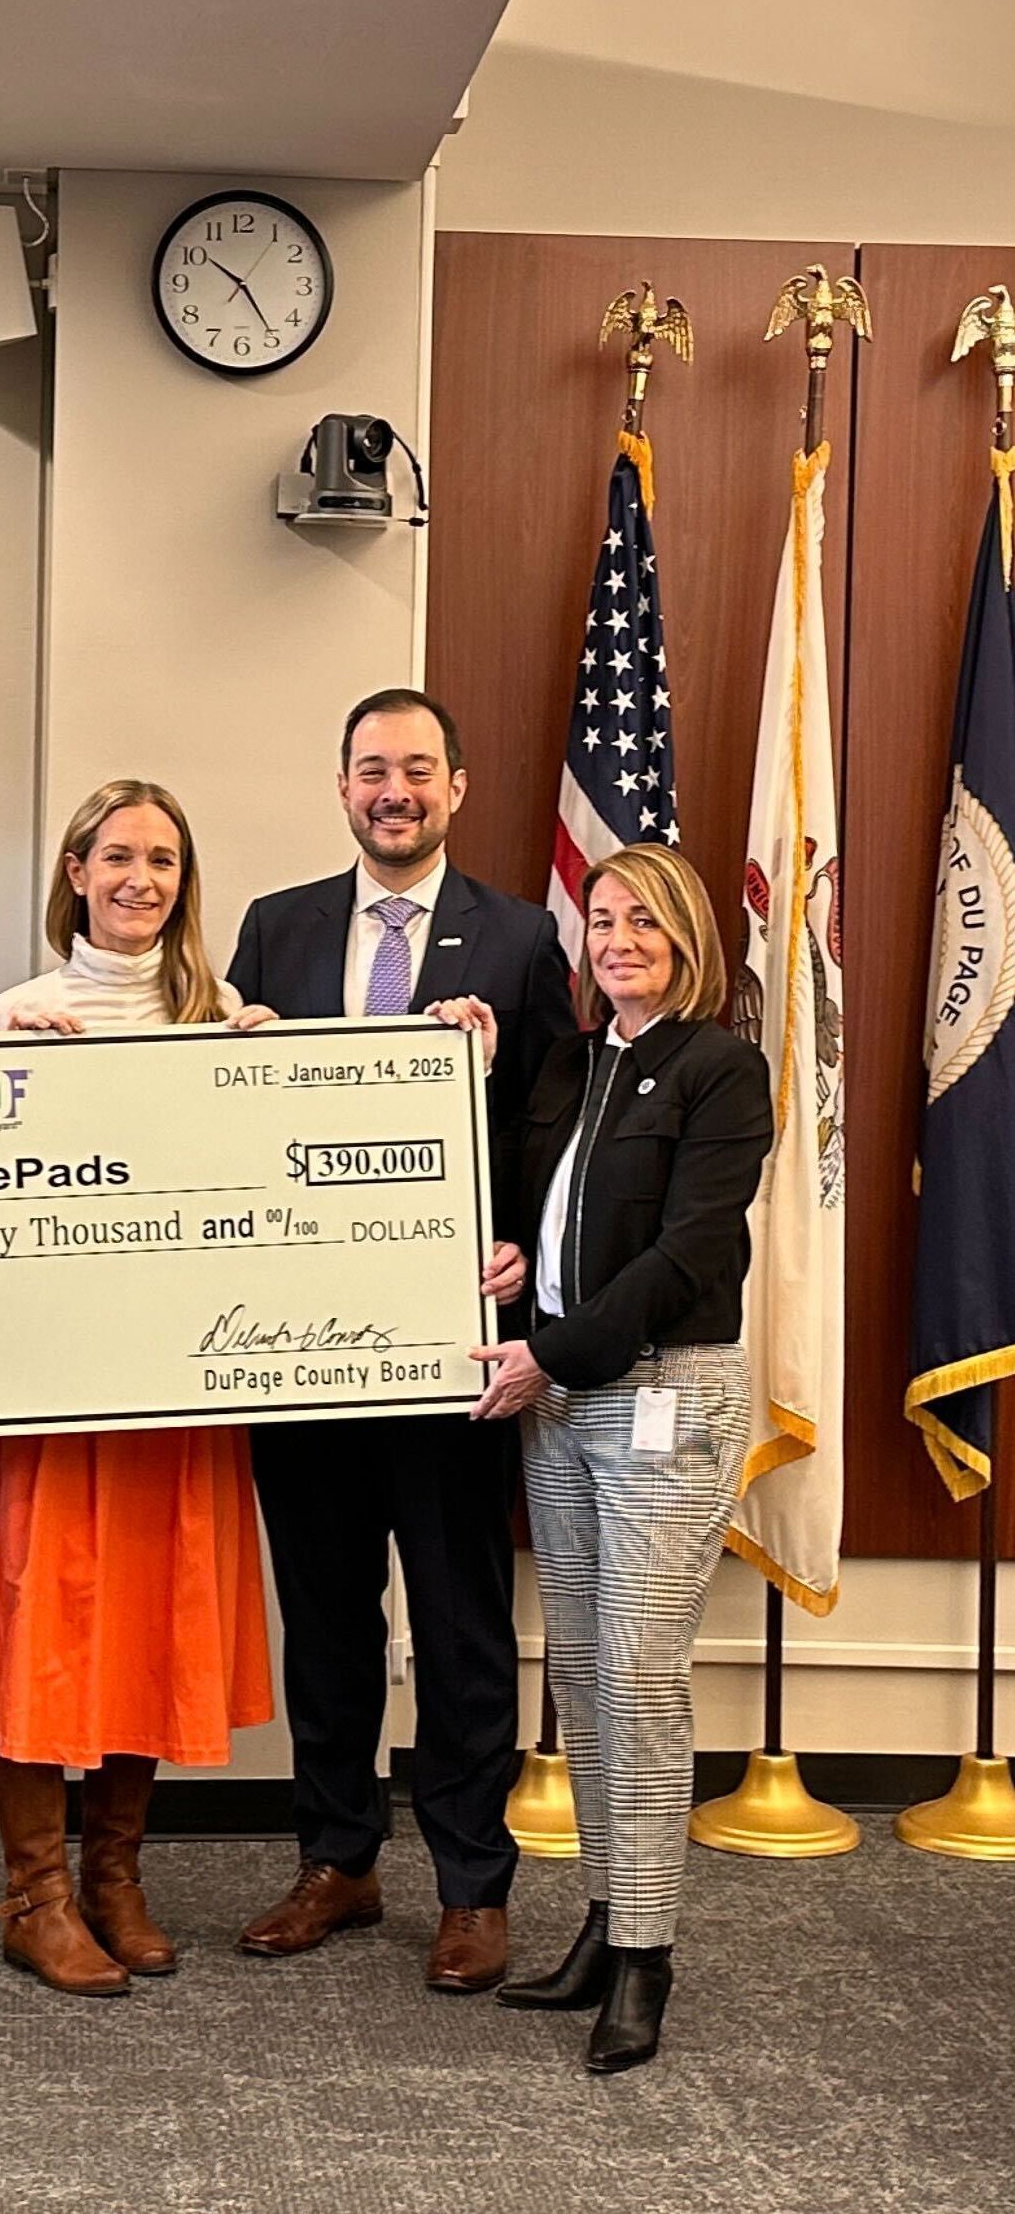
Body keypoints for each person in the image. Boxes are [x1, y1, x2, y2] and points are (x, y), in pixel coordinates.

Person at [227, 688, 574, 1995]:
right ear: (338, 787)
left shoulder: (520, 938)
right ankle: (336, 1860)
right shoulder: (274, 929)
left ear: (456, 789)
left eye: (416, 770)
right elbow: (234, 1131)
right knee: (321, 1619)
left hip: (446, 1351)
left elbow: (548, 1139)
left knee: (457, 1621)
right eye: (371, 769)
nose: (393, 790)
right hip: (300, 1347)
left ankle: (472, 1888)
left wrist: (527, 1267)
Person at [0, 781, 279, 1996]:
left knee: (147, 1621)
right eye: (117, 855)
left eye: (163, 859)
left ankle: (116, 1878)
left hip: (174, 1392)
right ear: (74, 870)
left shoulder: (224, 1017)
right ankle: (36, 1893)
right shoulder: (17, 1013)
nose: (140, 879)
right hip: (53, 1396)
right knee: (40, 1621)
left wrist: (281, 1079)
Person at [473, 844, 772, 2073]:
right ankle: (602, 1919)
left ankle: (645, 1954)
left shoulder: (720, 1068)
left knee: (640, 1677)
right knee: (586, 1677)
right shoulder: (571, 1061)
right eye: (601, 919)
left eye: (644, 919)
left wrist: (548, 1349)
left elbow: (685, 1257)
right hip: (560, 1405)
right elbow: (543, 1211)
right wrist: (506, 1261)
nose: (618, 938)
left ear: (686, 934)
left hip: (663, 1396)